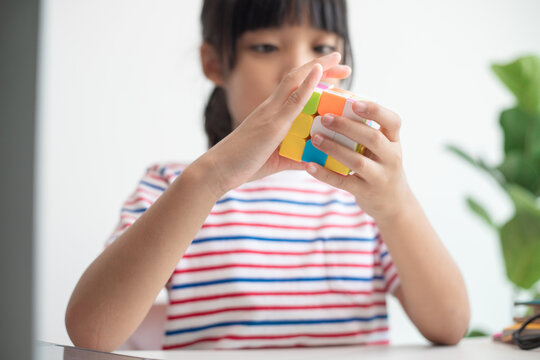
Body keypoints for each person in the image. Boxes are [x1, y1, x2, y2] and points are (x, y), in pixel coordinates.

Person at [65, 0, 470, 351]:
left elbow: (450, 326)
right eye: (265, 46)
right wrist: (211, 177)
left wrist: (396, 204)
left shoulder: (364, 196)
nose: (300, 69)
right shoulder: (174, 184)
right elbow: (92, 333)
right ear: (214, 63)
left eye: (323, 48)